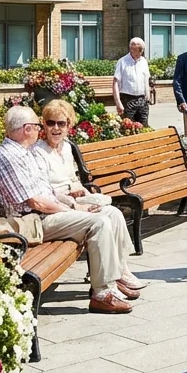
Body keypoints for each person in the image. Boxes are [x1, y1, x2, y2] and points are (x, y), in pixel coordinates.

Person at [0, 106, 140, 315]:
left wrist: (74, 205)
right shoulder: (10, 158)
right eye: (39, 125)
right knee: (98, 222)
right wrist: (75, 209)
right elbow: (37, 204)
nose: (41, 129)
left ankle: (113, 278)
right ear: (27, 129)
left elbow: (46, 193)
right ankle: (102, 294)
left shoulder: (21, 153)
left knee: (111, 213)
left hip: (47, 214)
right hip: (34, 223)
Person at [32, 100, 145, 290]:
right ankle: (107, 282)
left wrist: (80, 190)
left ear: (69, 125)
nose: (56, 128)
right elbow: (45, 191)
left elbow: (72, 178)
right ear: (44, 124)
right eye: (51, 123)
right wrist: (71, 197)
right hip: (59, 206)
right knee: (102, 220)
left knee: (115, 214)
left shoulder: (66, 147)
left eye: (61, 123)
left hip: (76, 199)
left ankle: (121, 269)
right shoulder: (38, 152)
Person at [114, 38, 154, 127]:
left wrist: (147, 96)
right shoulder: (122, 62)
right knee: (128, 127)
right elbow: (115, 83)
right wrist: (118, 102)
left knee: (143, 127)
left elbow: (146, 79)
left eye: (142, 50)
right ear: (131, 48)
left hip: (142, 99)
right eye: (139, 50)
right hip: (127, 99)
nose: (141, 52)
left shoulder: (143, 61)